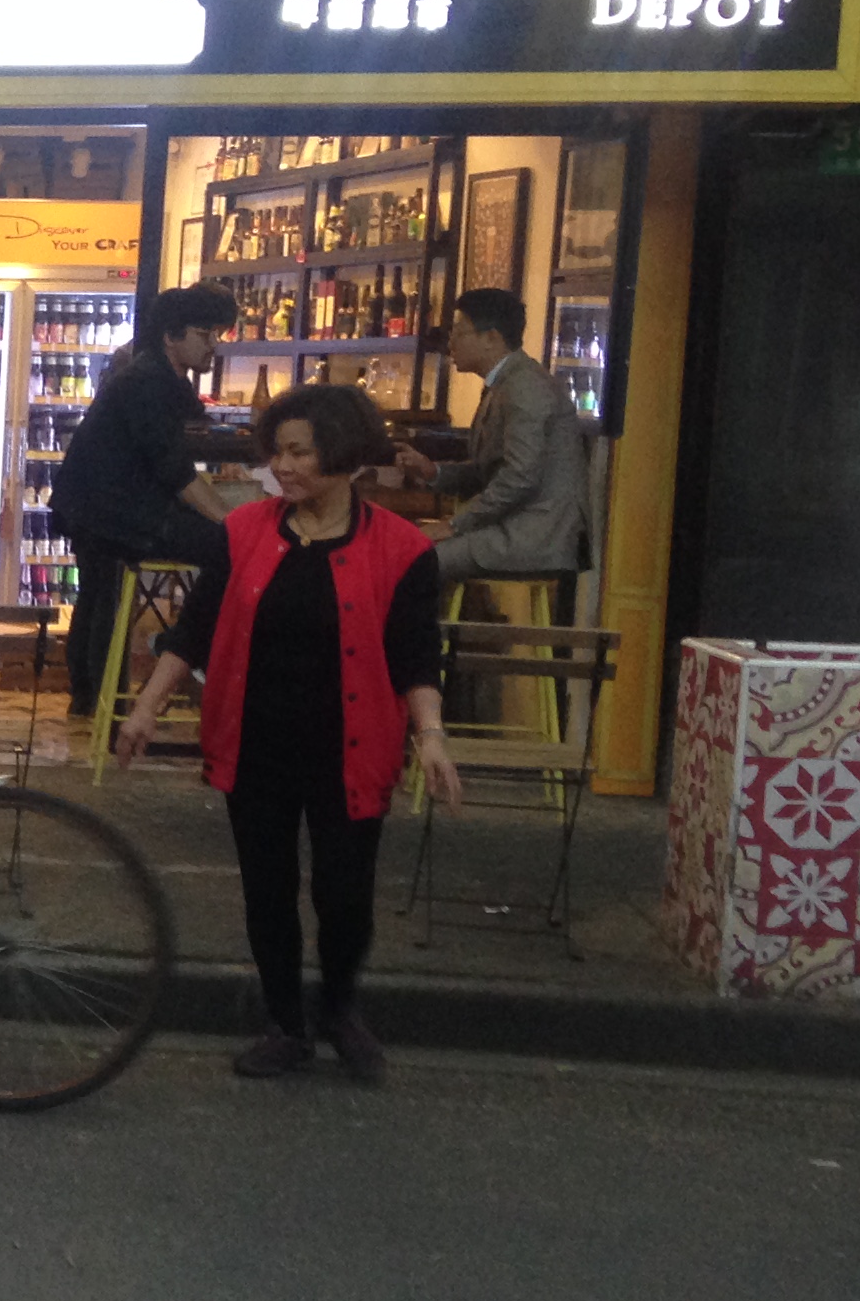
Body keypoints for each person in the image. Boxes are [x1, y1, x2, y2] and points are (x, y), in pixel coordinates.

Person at [115, 380, 463, 1083]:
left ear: (344, 455)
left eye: (300, 452)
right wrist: (147, 707)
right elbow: (194, 631)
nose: (284, 466)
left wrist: (430, 734)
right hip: (257, 739)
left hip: (350, 746)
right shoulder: (242, 533)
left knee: (345, 895)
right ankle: (284, 1023)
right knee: (266, 890)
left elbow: (415, 655)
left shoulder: (401, 550)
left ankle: (338, 1007)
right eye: (278, 452)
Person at [53, 287, 240, 719]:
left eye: (217, 334)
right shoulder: (148, 383)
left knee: (97, 597)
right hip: (118, 515)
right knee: (231, 549)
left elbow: (185, 423)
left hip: (94, 508)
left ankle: (90, 701)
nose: (213, 344)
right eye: (205, 334)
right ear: (171, 336)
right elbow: (175, 473)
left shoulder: (156, 375)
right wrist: (233, 522)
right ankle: (185, 650)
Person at [391, 286, 589, 586]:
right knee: (400, 548)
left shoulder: (525, 387)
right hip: (513, 526)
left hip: (534, 534)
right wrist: (433, 472)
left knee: (409, 561)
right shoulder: (505, 383)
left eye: (458, 332)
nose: (450, 342)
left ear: (491, 338)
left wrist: (453, 526)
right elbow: (489, 471)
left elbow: (519, 477)